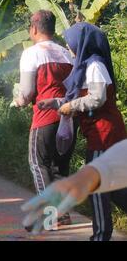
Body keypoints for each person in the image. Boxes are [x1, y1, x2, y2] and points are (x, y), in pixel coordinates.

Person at [37, 22, 127, 241]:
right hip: (103, 133)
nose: (69, 48)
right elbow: (77, 97)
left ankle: (100, 235)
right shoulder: (86, 66)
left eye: (70, 43)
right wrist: (56, 103)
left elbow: (97, 98)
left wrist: (71, 106)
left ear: (81, 43)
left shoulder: (95, 65)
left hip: (104, 134)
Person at [12, 10, 75, 228]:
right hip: (67, 118)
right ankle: (63, 214)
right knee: (59, 168)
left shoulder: (32, 53)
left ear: (35, 28)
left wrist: (19, 101)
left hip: (45, 117)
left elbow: (27, 92)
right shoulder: (67, 54)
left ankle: (51, 215)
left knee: (38, 164)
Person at [22, 139, 127, 234]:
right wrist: (83, 178)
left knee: (102, 191)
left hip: (101, 139)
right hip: (102, 142)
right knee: (110, 188)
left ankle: (100, 236)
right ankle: (58, 217)